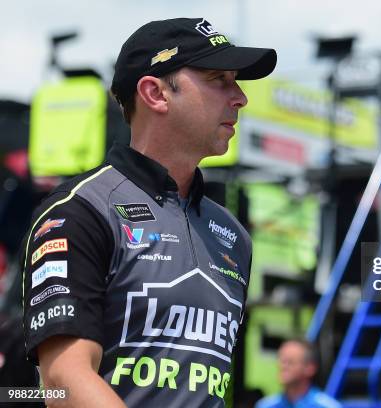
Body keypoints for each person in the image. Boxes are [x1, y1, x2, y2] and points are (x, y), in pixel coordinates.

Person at [21, 17, 276, 407]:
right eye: (218, 79)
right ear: (155, 93)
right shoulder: (80, 212)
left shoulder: (233, 235)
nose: (239, 96)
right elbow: (63, 381)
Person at [255, 339, 341, 408]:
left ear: (310, 368)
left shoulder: (327, 406)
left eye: (290, 362)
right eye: (281, 360)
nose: (282, 366)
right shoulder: (265, 405)